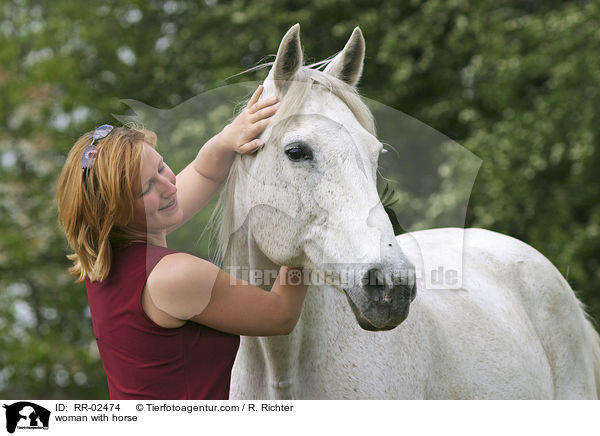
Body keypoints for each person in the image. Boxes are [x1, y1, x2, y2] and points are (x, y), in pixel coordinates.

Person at [56, 85, 308, 400]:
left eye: (161, 166)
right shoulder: (174, 277)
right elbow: (280, 313)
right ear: (116, 213)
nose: (168, 184)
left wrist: (229, 136)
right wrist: (307, 231)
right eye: (147, 187)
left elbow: (204, 174)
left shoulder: (108, 253)